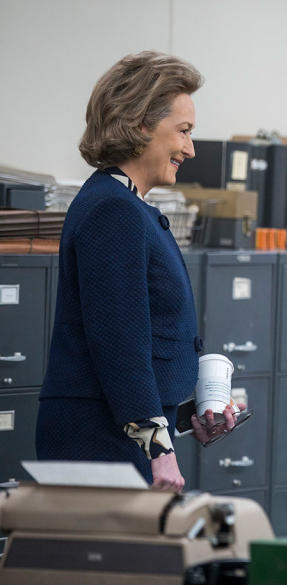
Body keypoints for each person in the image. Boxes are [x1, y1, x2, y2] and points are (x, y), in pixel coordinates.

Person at [37, 51, 240, 490]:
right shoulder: (114, 209)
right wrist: (160, 449)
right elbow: (119, 344)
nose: (189, 149)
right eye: (183, 132)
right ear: (142, 124)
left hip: (116, 434)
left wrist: (185, 419)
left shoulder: (126, 205)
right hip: (99, 441)